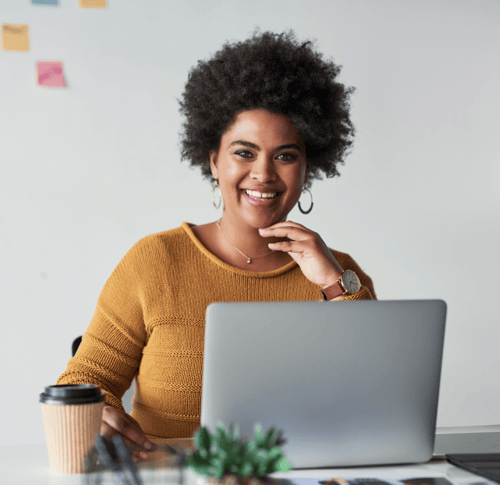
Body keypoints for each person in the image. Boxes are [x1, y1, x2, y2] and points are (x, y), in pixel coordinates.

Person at [56, 30, 376, 461]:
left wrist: (336, 286)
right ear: (213, 161)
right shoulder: (155, 261)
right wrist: (94, 409)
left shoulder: (340, 273)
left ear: (308, 169)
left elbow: (376, 394)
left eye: (285, 156)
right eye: (244, 152)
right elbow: (82, 380)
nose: (263, 174)